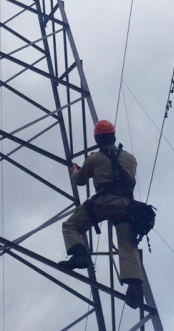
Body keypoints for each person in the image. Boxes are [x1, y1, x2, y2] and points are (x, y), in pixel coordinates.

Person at [58, 119, 144, 307]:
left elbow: (80, 181)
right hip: (126, 206)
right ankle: (135, 287)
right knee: (127, 243)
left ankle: (79, 254)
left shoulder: (94, 158)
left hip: (103, 203)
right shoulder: (130, 158)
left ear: (97, 139)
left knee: (71, 225)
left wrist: (75, 171)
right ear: (114, 136)